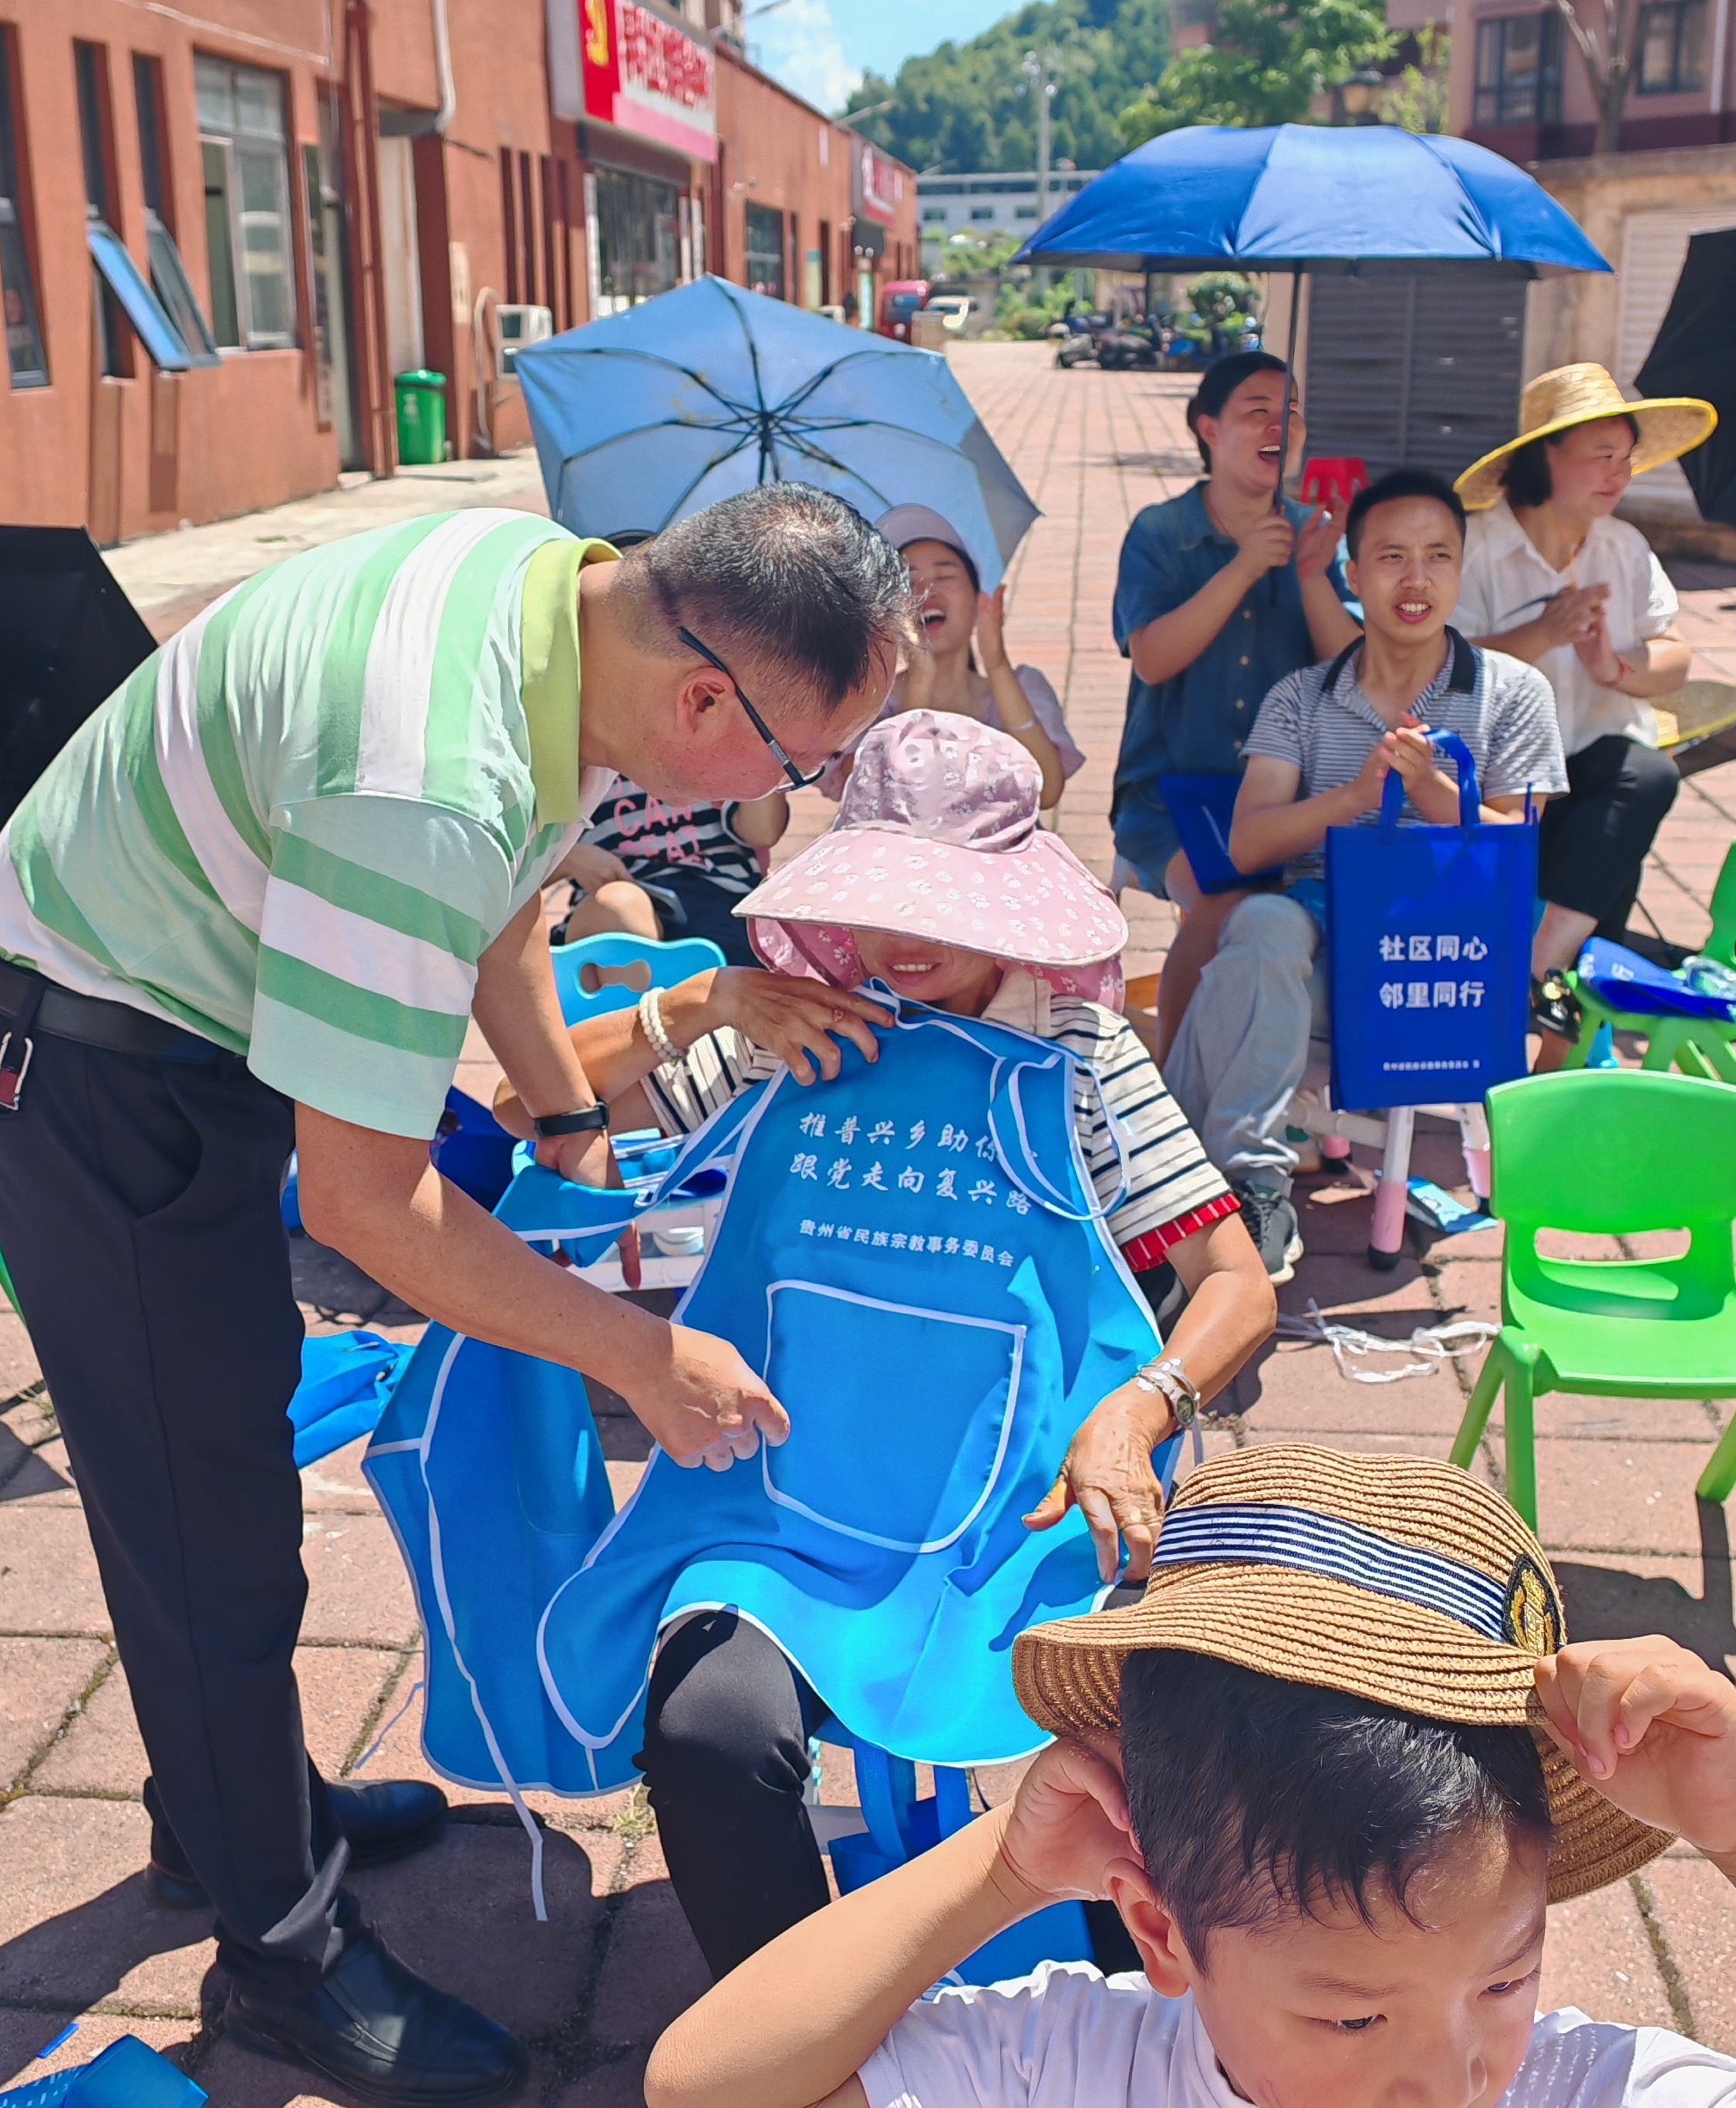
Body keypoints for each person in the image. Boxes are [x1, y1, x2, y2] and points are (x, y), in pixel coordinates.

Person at [0, 489, 909, 2102]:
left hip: (185, 1008)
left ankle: (226, 1806)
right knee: (206, 1499)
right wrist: (640, 1352)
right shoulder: (422, 780)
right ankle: (284, 1951)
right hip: (86, 1056)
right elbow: (366, 1203)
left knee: (213, 1445)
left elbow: (502, 907)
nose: (790, 807)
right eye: (800, 766)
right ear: (700, 699)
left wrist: (569, 1113)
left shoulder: (564, 604)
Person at [517, 709, 1277, 1978]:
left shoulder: (1081, 1060)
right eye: (884, 901)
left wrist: (1135, 1413)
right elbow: (539, 1111)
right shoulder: (796, 1029)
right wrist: (702, 1001)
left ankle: (1125, 2034)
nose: (905, 940)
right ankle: (797, 2043)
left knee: (1115, 1776)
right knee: (708, 1728)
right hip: (790, 1504)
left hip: (1020, 1507)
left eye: (944, 906)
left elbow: (1235, 1281)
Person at [643, 1445, 1736, 2108]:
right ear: (1161, 1932)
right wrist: (1003, 1865)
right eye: (1354, 2011)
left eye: (1505, 1974)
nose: (1445, 2074)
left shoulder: (1589, 2091)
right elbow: (707, 2087)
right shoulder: (1079, 2063)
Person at [1163, 474, 1562, 1277]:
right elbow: (1247, 844)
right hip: (1323, 938)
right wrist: (1350, 798)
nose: (1415, 580)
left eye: (1437, 557)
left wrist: (1427, 791)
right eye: (1391, 557)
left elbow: (1516, 848)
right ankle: (1252, 1184)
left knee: (1229, 993)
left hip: (1441, 956)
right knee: (1261, 925)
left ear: (1460, 570)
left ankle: (1170, 1174)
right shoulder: (1302, 698)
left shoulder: (1513, 693)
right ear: (1353, 571)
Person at [1452, 366, 1713, 1037]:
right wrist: (1542, 633)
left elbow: (1675, 655)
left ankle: (1541, 968)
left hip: (1593, 776)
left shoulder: (1624, 547)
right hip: (1499, 781)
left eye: (1626, 461)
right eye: (1601, 458)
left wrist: (1616, 667)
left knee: (1646, 775)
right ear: (1545, 455)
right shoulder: (1474, 549)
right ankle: (1550, 1006)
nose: (1618, 475)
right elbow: (1440, 670)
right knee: (1599, 882)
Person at [1110, 353, 1357, 1057]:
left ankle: (1291, 1079)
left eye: (1294, 411)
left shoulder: (1318, 531)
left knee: (1342, 901)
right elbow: (1154, 656)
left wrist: (1312, 575)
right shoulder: (1161, 533)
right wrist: (1244, 564)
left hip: (1287, 798)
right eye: (1259, 410)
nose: (1282, 425)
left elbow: (1358, 675)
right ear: (1208, 429)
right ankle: (1176, 1088)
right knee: (1222, 900)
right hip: (1171, 795)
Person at [823, 505, 1083, 811]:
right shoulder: (864, 703)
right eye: (907, 581)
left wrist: (997, 663)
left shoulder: (1023, 690)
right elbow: (873, 794)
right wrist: (920, 675)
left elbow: (1047, 791)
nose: (926, 591)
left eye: (945, 576)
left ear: (980, 601)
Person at [548, 776, 787, 957]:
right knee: (617, 908)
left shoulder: (714, 731)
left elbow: (762, 833)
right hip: (609, 901)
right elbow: (520, 872)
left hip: (718, 898)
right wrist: (571, 858)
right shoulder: (580, 753)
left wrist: (760, 734)